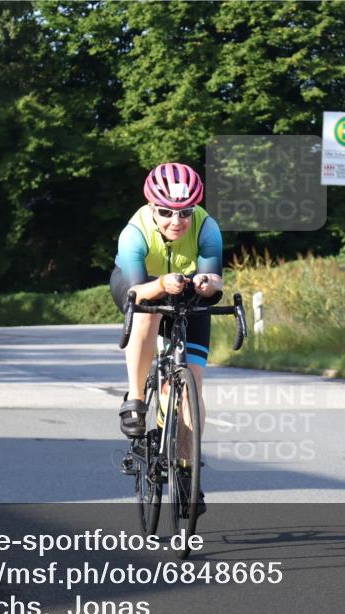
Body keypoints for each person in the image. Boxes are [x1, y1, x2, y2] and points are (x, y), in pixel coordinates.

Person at [111, 163, 223, 511]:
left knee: (193, 385)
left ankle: (188, 472)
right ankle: (136, 397)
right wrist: (160, 284)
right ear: (151, 207)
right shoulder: (134, 232)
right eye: (166, 212)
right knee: (147, 310)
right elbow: (136, 289)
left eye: (185, 212)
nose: (177, 221)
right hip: (141, 284)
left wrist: (207, 284)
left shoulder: (208, 227)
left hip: (187, 290)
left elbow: (216, 279)